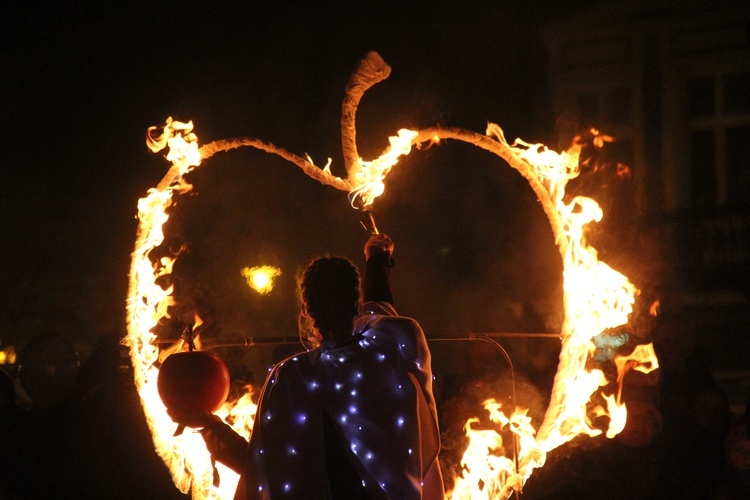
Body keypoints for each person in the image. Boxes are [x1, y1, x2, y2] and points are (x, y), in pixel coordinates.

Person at [170, 234, 444, 499]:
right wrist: (377, 259)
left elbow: (263, 468)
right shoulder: (393, 347)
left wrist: (210, 425)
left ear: (305, 309)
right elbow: (381, 308)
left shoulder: (293, 377)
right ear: (357, 302)